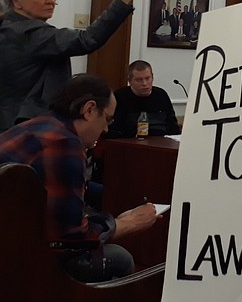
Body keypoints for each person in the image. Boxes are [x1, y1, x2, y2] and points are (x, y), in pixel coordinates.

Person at [0, 74, 159, 282]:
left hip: (11, 236)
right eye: (107, 119)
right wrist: (127, 223)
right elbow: (72, 237)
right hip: (17, 259)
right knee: (119, 259)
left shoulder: (39, 125)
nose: (106, 129)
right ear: (90, 110)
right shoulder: (64, 144)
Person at [0, 0, 142, 130]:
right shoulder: (29, 34)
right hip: (31, 133)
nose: (50, 0)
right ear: (16, 2)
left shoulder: (8, 28)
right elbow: (88, 39)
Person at [107, 60, 181, 138]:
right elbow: (114, 129)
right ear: (130, 81)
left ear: (152, 77)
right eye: (139, 80)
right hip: (130, 143)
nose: (144, 83)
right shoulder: (119, 96)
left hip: (161, 142)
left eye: (147, 78)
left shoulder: (161, 95)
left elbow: (173, 126)